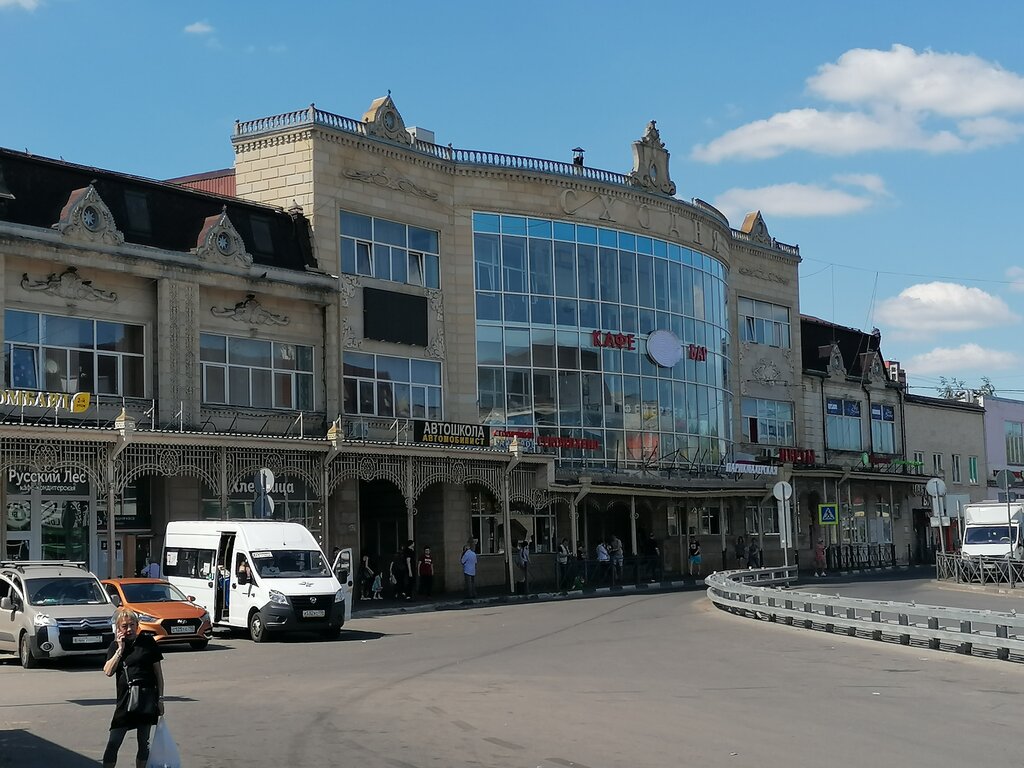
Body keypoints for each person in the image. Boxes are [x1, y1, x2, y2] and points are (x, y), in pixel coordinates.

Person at [102, 607, 164, 768]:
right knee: (113, 742)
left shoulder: (148, 642)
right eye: (124, 626)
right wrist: (120, 650)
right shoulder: (115, 646)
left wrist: (161, 699)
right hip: (125, 701)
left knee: (144, 743)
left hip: (146, 698)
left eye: (132, 625)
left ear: (137, 625)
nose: (129, 629)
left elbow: (158, 674)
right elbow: (108, 671)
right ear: (118, 628)